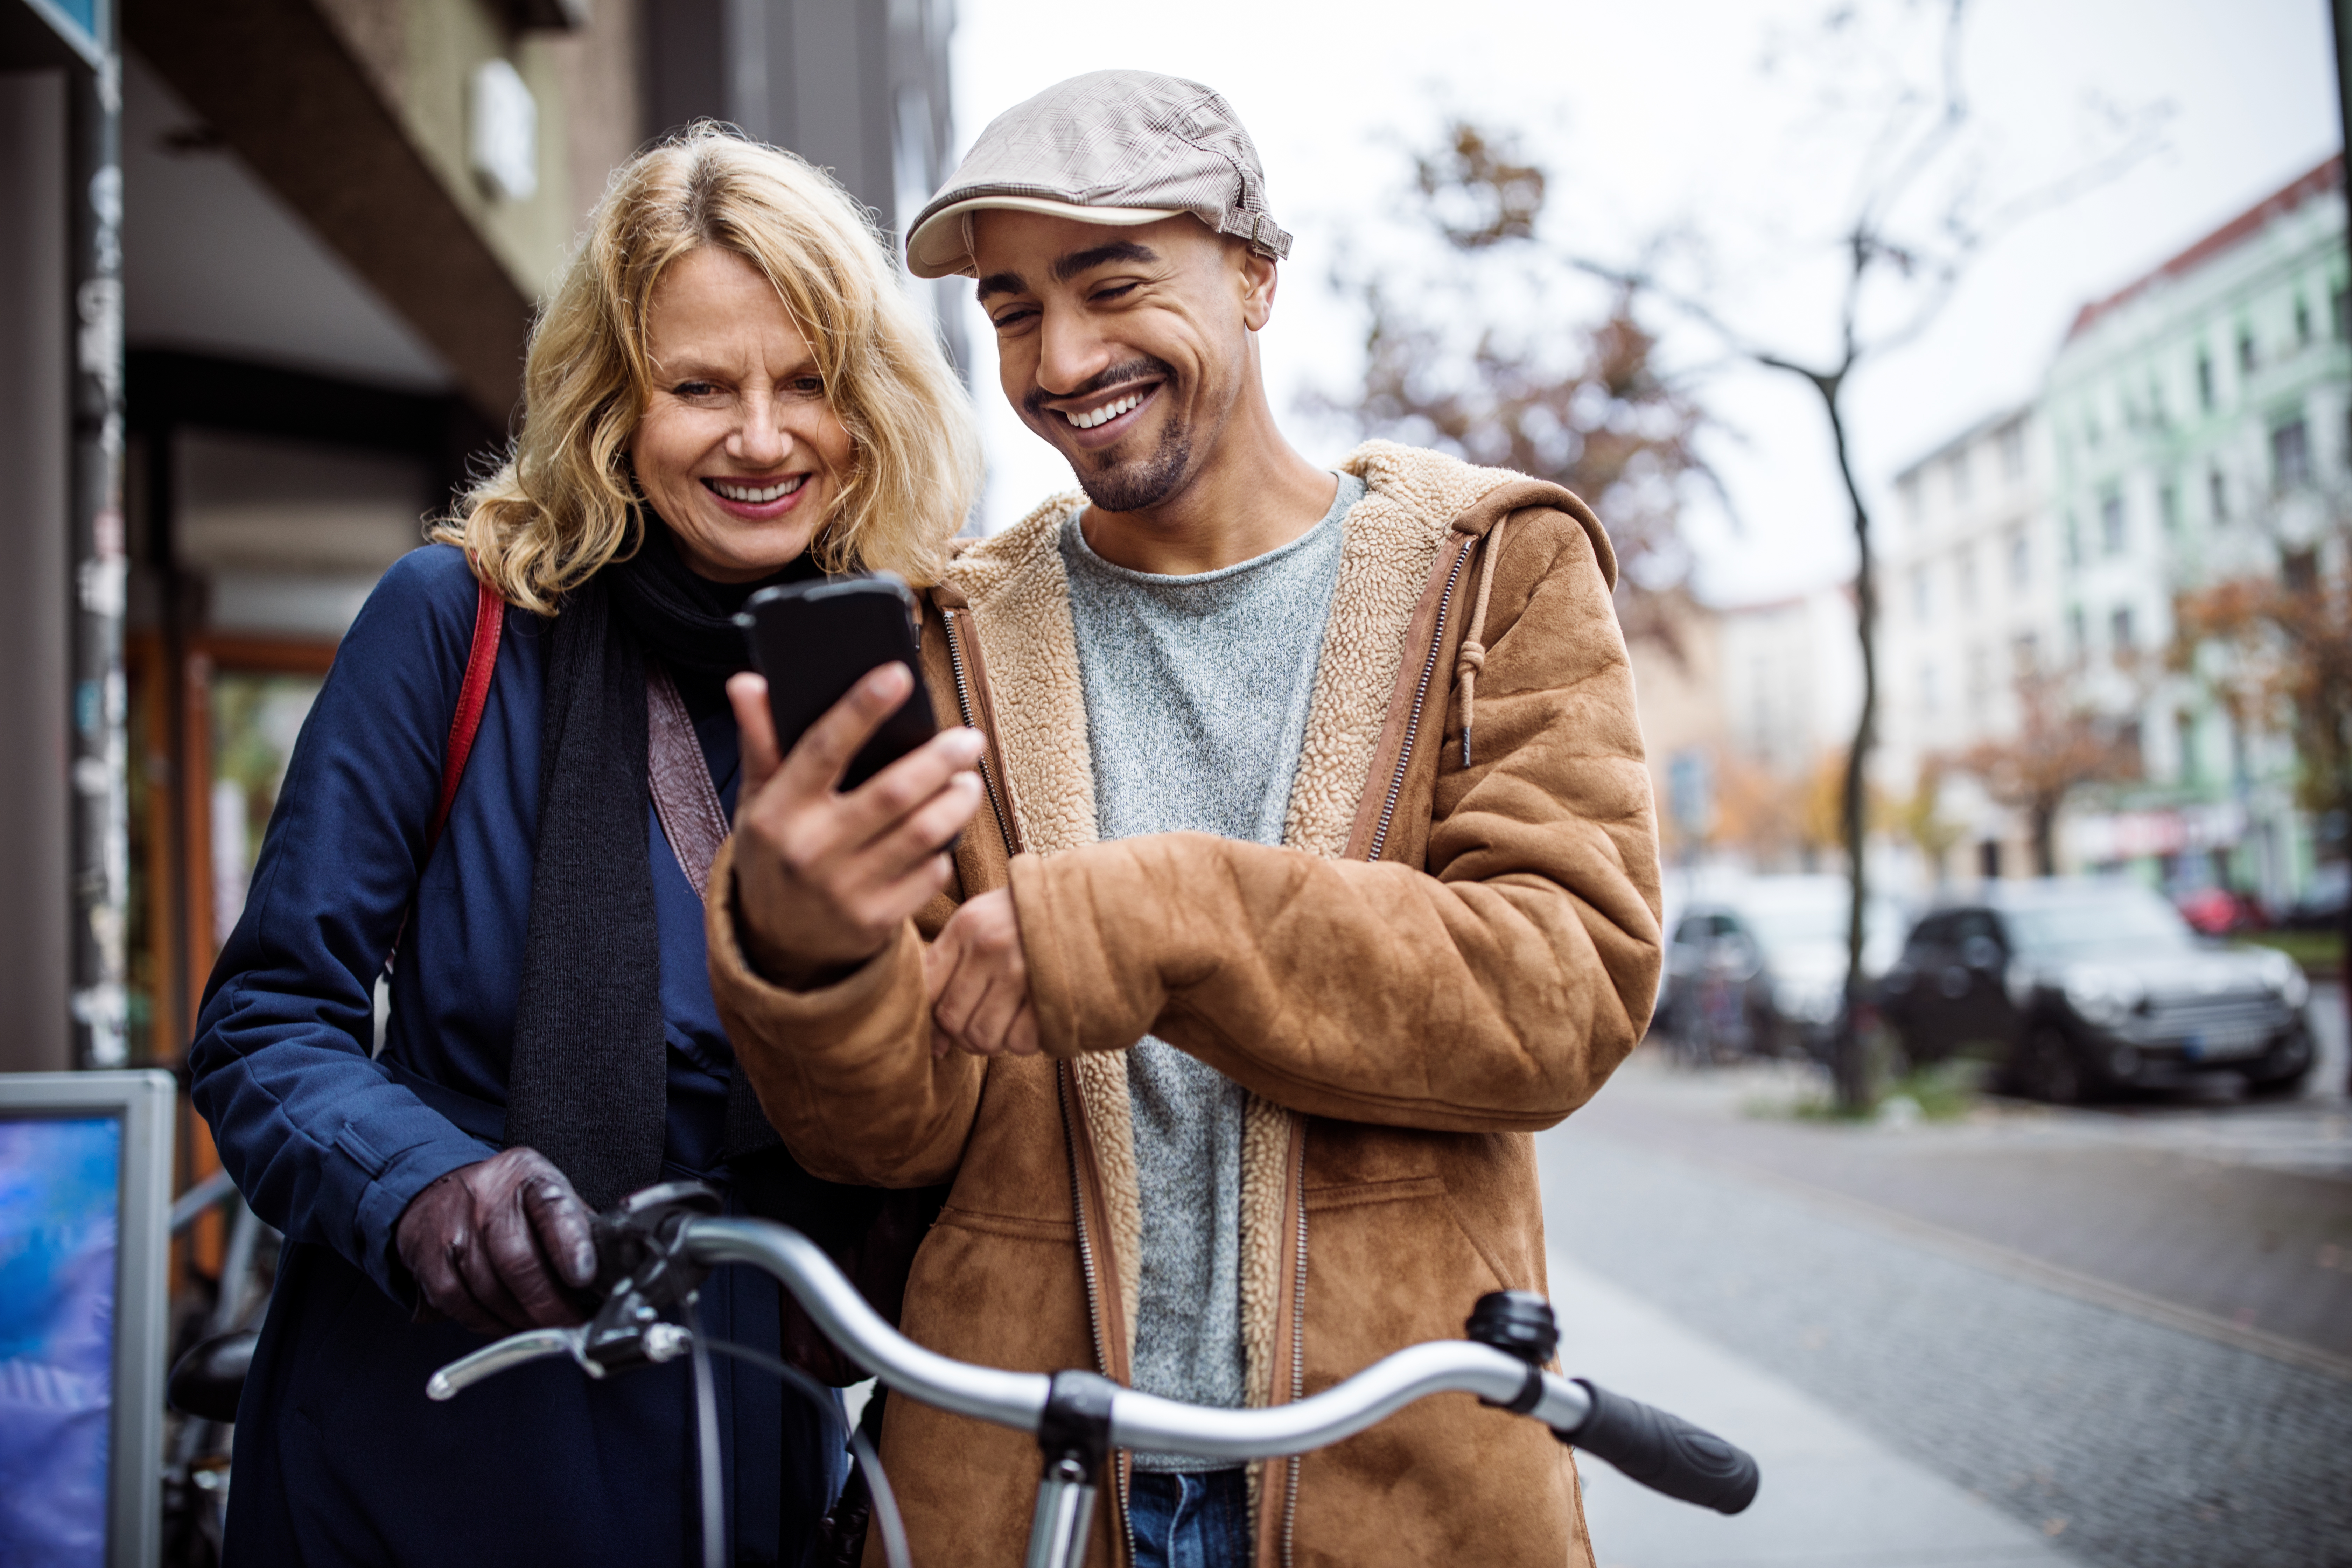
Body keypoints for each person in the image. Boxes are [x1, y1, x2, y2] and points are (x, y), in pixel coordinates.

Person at [706, 70, 1663, 1568]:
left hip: (1400, 1480)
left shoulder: (1496, 569)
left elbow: (1562, 989)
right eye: (1015, 310)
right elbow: (886, 1134)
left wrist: (1147, 917)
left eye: (1112, 284)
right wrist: (812, 955)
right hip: (1023, 1484)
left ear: (1257, 273)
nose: (1062, 357)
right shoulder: (950, 628)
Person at [187, 125, 982, 1567]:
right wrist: (424, 1182)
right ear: (613, 404)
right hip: (434, 1414)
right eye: (699, 385)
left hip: (745, 1435)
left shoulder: (907, 667)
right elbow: (261, 1025)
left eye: (808, 382)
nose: (761, 435)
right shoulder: (456, 621)